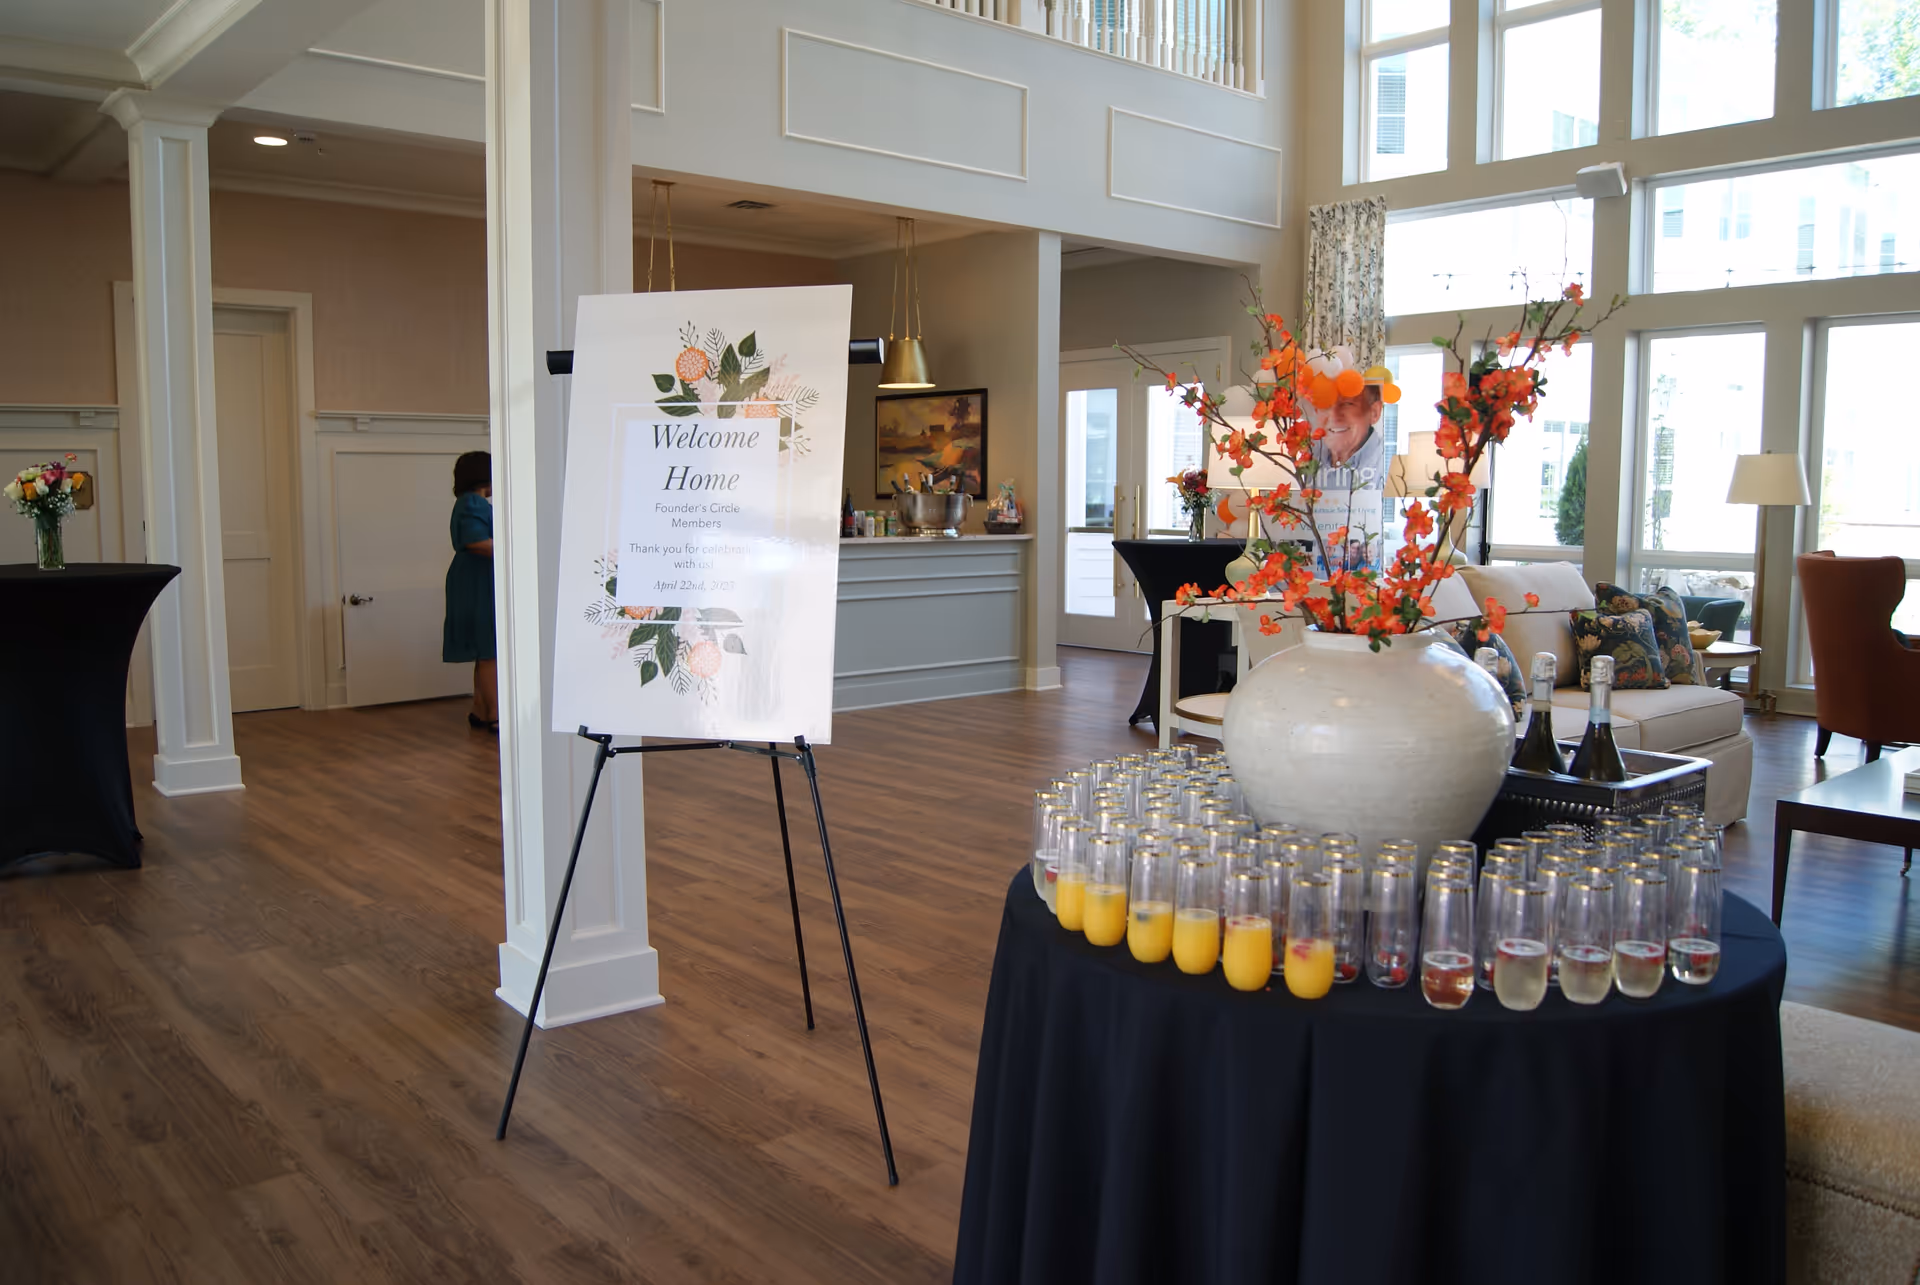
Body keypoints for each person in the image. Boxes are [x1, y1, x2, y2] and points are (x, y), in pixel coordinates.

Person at [443, 451, 498, 731]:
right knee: (490, 650)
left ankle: (481, 709)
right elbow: (477, 542)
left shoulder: (467, 502)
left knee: (484, 650)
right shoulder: (473, 502)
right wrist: (518, 549)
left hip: (472, 577)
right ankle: (495, 716)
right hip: (479, 579)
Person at [1309, 384, 1387, 490]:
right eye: (1325, 404)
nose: (1333, 416)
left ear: (1374, 412)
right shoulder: (1310, 453)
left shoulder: (1388, 465)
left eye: (1347, 403)